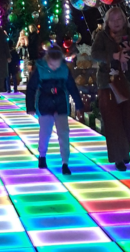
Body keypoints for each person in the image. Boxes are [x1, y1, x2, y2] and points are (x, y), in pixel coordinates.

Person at [91, 6, 130, 171]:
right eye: (113, 20)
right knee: (113, 121)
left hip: (128, 84)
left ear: (124, 20)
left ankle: (123, 148)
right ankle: (119, 157)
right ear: (107, 22)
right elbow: (95, 54)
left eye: (119, 19)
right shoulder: (102, 36)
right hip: (107, 84)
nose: (116, 23)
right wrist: (114, 56)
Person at [26, 46, 84, 175]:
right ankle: (42, 156)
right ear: (47, 60)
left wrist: (79, 105)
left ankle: (65, 162)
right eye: (52, 65)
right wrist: (30, 107)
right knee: (45, 132)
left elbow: (72, 88)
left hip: (61, 104)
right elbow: (31, 88)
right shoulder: (40, 69)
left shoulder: (64, 70)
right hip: (45, 103)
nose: (54, 68)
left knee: (64, 133)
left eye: (57, 65)